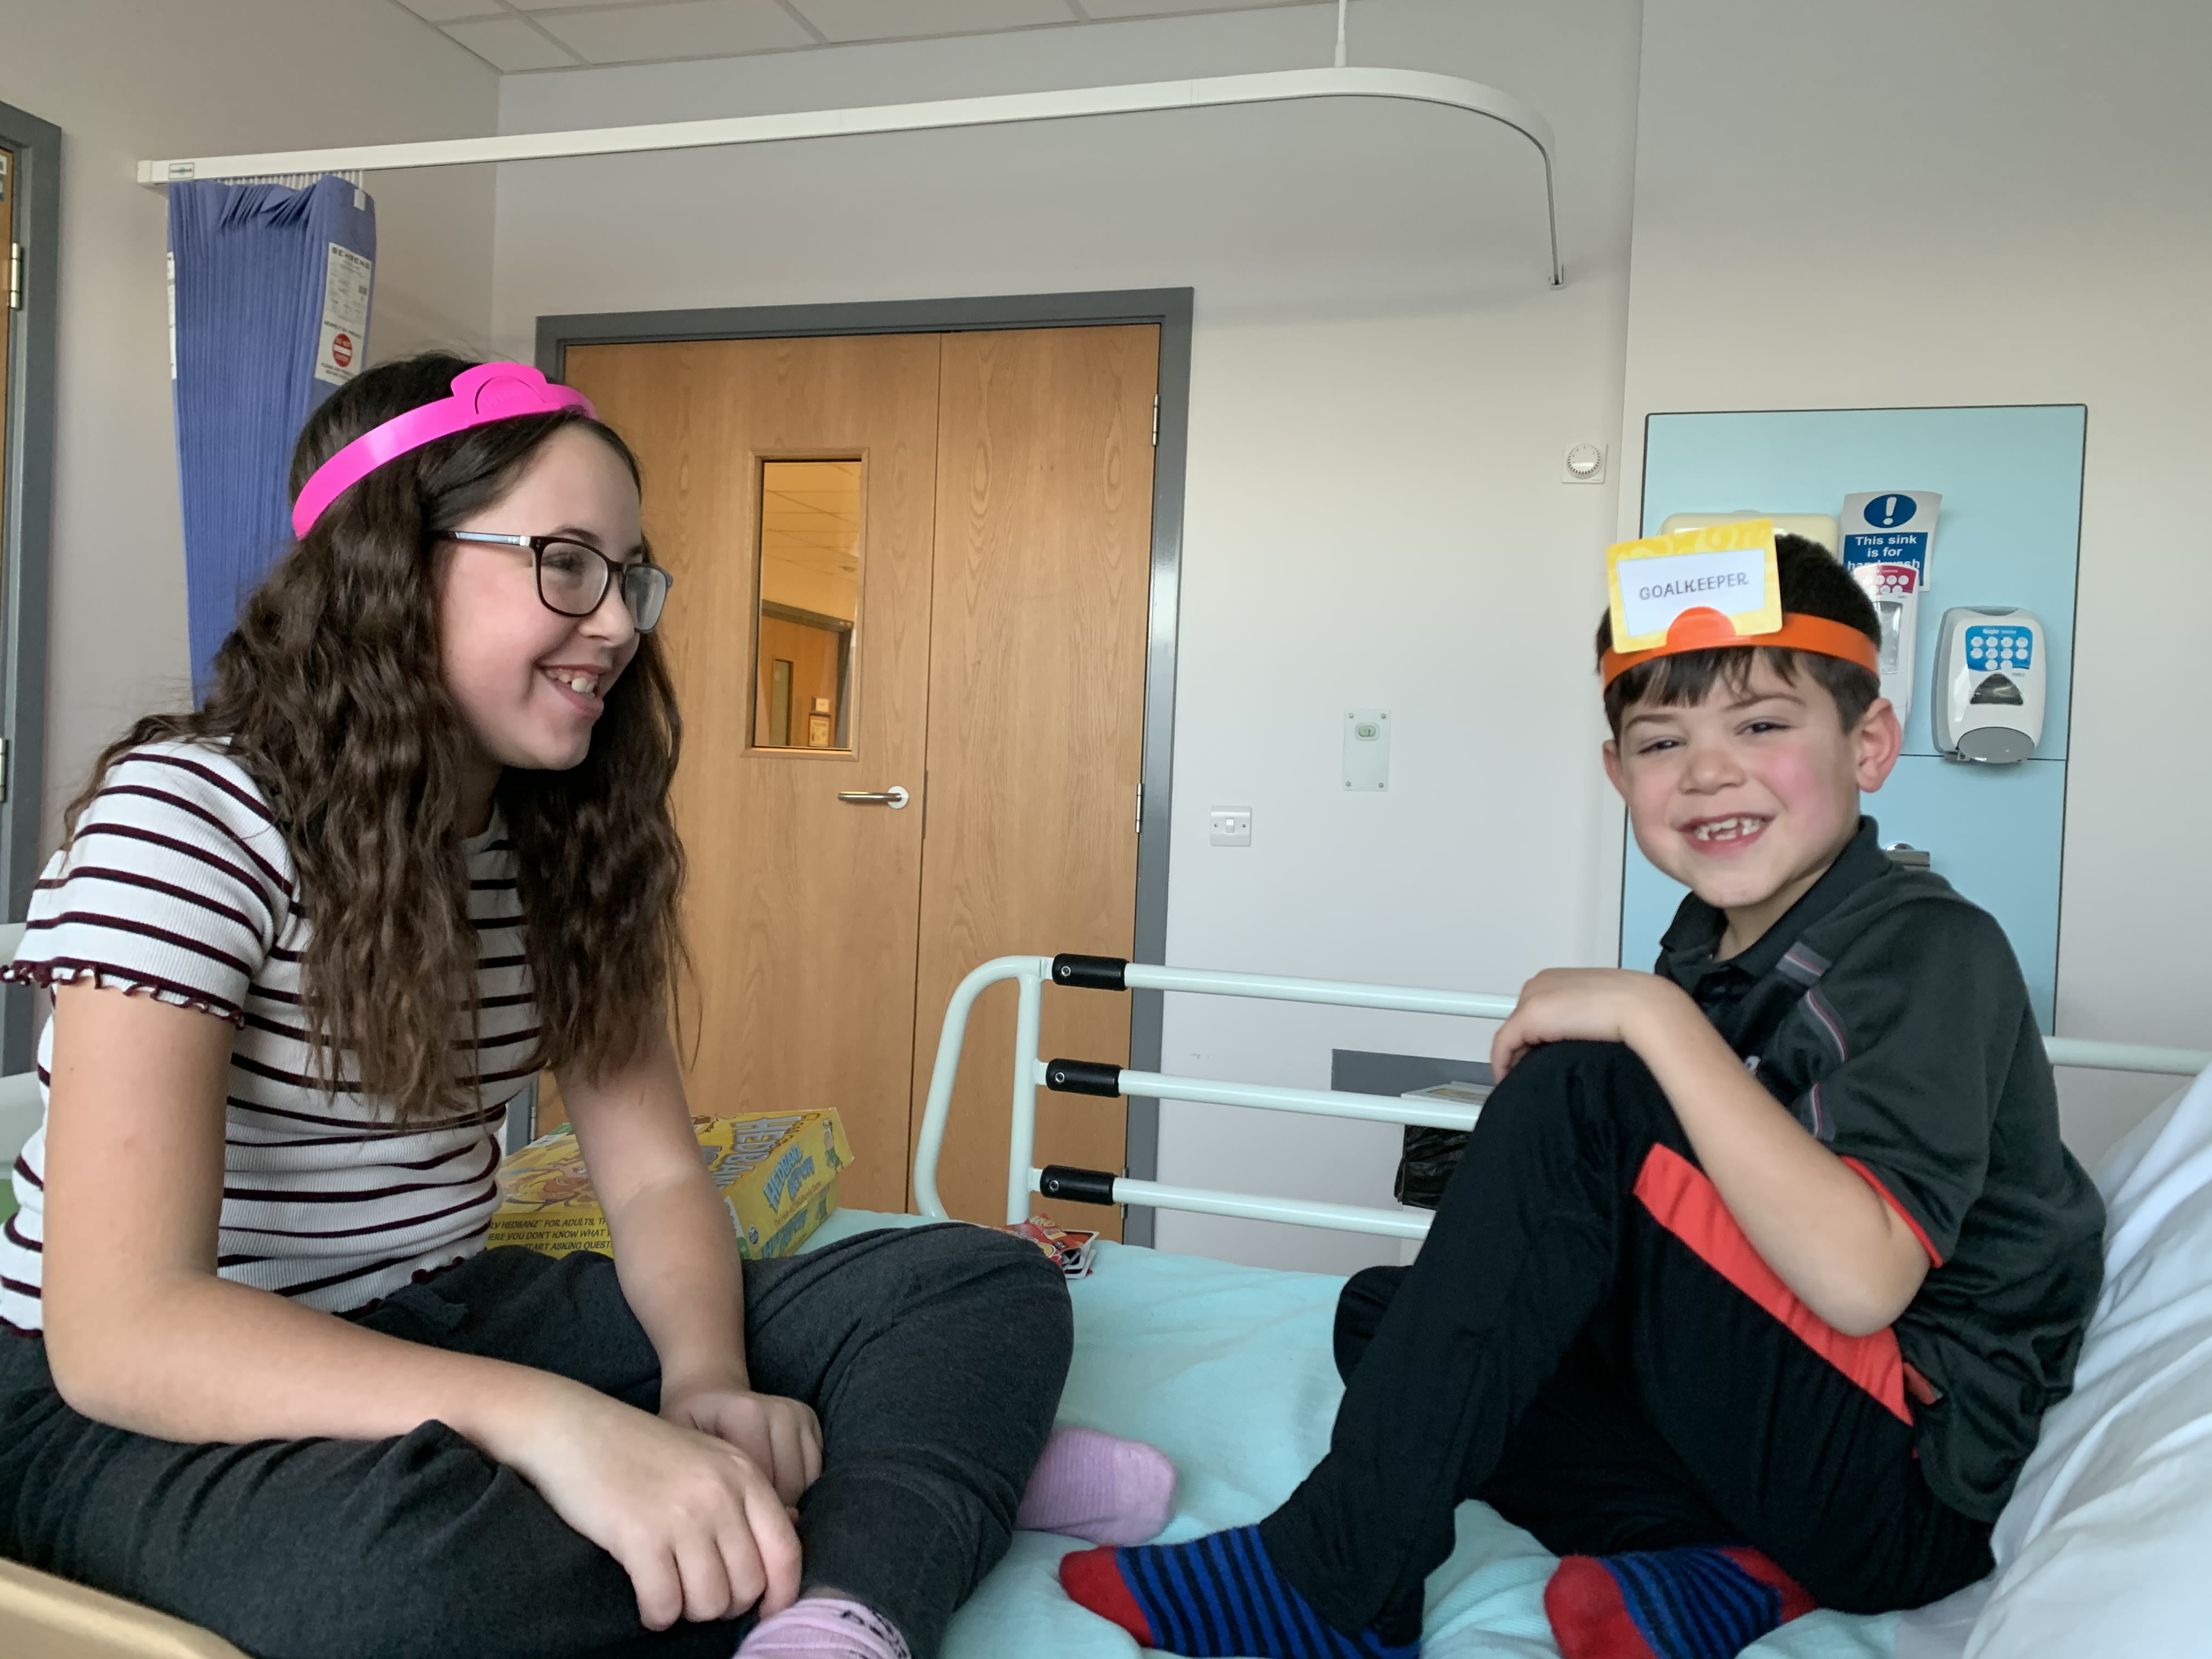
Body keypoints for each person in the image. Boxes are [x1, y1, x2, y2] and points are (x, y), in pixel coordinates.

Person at [0, 354, 1169, 1659]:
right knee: (414, 1585)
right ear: (387, 572)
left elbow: (661, 1181)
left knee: (977, 1282)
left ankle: (842, 1595)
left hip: (444, 1309)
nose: (617, 622)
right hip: (131, 1398)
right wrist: (558, 1423)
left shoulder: (550, 842)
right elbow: (120, 1332)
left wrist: (706, 1384)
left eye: (629, 575)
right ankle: (916, 1480)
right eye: (566, 563)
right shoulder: (190, 815)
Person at [1059, 534, 2104, 1659]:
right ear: (1620, 776)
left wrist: (1647, 1022)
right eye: (1663, 740)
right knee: (1389, 1320)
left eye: (1761, 724)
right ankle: (1716, 1563)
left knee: (1587, 1089)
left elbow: (1859, 1283)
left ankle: (1335, 1585)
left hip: (1906, 1481)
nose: (1709, 772)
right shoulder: (1713, 947)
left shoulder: (1928, 947)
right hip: (1789, 1462)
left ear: (1870, 743)